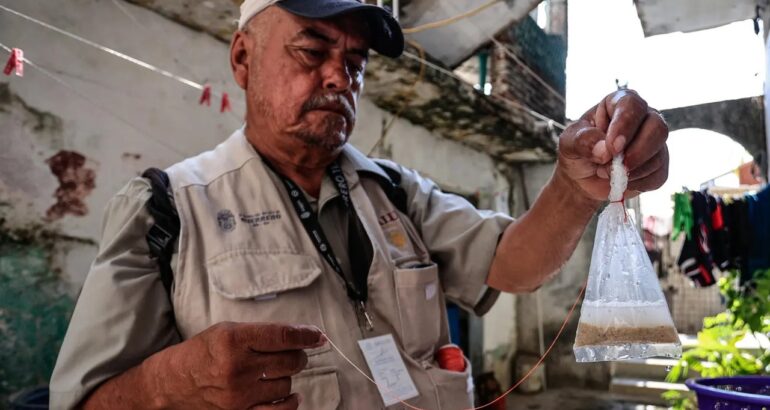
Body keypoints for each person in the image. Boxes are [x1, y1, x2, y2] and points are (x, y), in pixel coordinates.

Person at [49, 0, 670, 409]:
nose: (339, 78)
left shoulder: (396, 193)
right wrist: (172, 382)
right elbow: (79, 402)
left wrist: (573, 188)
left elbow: (513, 264)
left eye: (355, 61)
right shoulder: (165, 211)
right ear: (242, 57)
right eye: (312, 51)